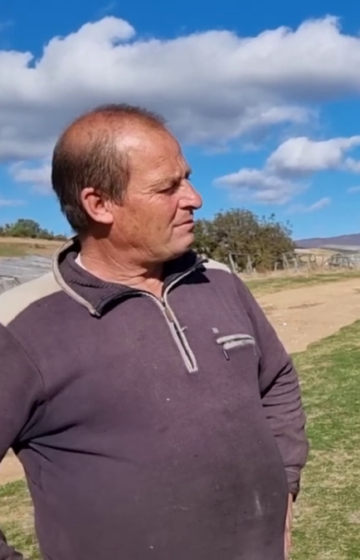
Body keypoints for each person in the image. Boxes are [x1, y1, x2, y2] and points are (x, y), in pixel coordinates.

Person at [0, 104, 309, 559]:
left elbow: (277, 380)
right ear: (99, 204)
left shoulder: (220, 281)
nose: (195, 198)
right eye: (168, 187)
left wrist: (284, 483)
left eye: (186, 177)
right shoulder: (21, 326)